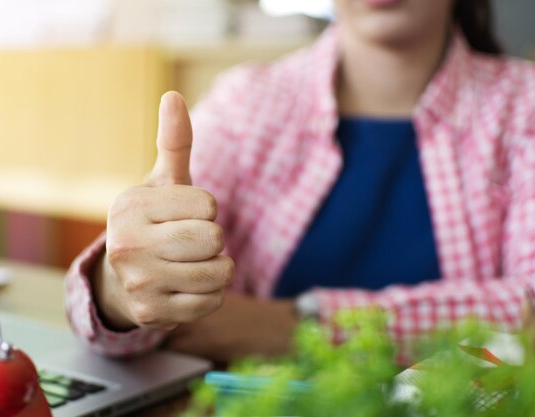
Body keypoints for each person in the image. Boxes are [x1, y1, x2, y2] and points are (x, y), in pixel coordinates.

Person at [65, 0, 535, 364]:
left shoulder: (524, 104)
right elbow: (141, 308)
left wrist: (293, 327)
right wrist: (120, 289)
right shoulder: (248, 102)